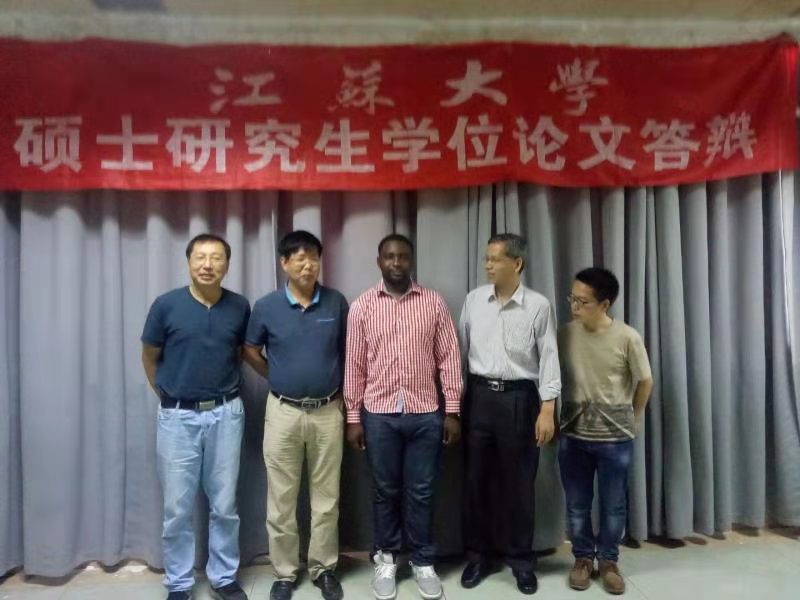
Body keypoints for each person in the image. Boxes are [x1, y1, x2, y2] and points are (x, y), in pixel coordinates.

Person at [344, 234, 462, 600]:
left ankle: (423, 560)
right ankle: (387, 558)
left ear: (411, 260)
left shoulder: (433, 303)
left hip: (425, 414)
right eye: (390, 257)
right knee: (385, 492)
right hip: (378, 415)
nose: (396, 263)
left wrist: (453, 410)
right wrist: (353, 417)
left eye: (403, 257)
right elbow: (354, 365)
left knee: (422, 492)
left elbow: (449, 358)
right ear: (379, 261)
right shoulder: (362, 306)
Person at [141, 233, 251, 600]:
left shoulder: (239, 307)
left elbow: (240, 353)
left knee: (225, 504)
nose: (207, 264)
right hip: (178, 418)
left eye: (216, 258)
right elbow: (149, 357)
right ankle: (179, 583)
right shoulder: (166, 305)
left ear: (227, 265)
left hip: (226, 413)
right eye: (200, 257)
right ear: (188, 262)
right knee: (177, 508)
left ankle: (223, 577)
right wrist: (171, 396)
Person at [242, 231, 348, 600]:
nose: (308, 265)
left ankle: (323, 569)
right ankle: (285, 573)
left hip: (328, 411)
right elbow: (250, 349)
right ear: (284, 263)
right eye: (299, 258)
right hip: (283, 411)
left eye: (313, 257)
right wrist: (277, 376)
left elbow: (349, 351)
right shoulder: (267, 306)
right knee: (281, 499)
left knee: (327, 499)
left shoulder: (335, 302)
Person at [458, 233, 561, 595]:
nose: (487, 265)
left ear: (516, 263)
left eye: (495, 259)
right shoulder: (474, 301)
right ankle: (478, 557)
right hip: (479, 397)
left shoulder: (538, 306)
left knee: (519, 486)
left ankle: (521, 561)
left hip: (520, 399)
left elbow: (549, 357)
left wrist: (547, 407)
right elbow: (460, 353)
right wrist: (456, 406)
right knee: (476, 482)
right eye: (486, 258)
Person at [558, 267, 653, 595]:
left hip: (615, 439)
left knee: (613, 506)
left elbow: (645, 381)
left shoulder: (627, 337)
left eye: (582, 302)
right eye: (572, 299)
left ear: (605, 304)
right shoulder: (564, 335)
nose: (574, 307)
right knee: (577, 505)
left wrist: (633, 417)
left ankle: (609, 561)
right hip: (573, 436)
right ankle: (583, 558)